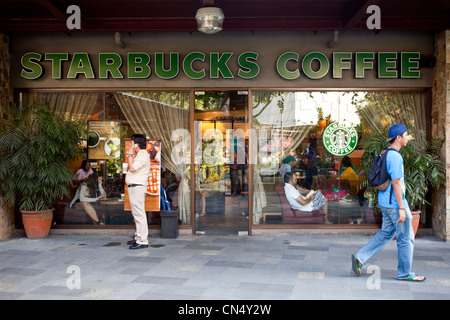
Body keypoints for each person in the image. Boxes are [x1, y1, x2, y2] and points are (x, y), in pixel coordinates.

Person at [352, 124, 426, 282]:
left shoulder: (384, 152)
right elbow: (396, 183)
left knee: (386, 234)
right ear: (398, 138)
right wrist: (401, 207)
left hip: (384, 202)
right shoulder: (395, 156)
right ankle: (404, 273)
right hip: (395, 204)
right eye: (406, 135)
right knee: (406, 238)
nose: (408, 137)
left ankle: (359, 258)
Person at [125, 134, 151, 250]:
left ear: (136, 144)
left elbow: (132, 168)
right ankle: (138, 237)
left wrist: (130, 153)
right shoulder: (139, 155)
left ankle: (142, 240)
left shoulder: (143, 155)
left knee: (139, 214)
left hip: (138, 188)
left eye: (131, 143)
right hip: (134, 187)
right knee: (136, 214)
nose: (130, 145)